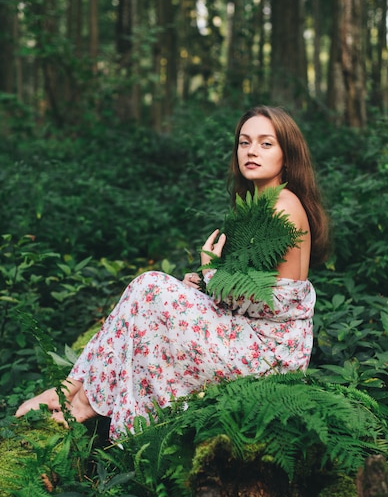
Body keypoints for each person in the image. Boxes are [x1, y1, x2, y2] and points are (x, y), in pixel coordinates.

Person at [16, 106, 330, 440]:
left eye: (266, 144)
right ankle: (71, 391)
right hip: (249, 337)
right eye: (244, 142)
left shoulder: (282, 205)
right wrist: (203, 286)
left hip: (267, 357)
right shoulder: (261, 201)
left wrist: (211, 271)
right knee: (148, 291)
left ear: (288, 154)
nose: (251, 151)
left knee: (150, 287)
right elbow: (249, 290)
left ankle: (77, 400)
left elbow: (263, 300)